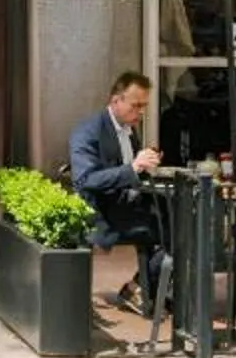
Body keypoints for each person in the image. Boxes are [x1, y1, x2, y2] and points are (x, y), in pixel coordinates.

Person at [69, 73, 166, 312]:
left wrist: (145, 167)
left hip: (127, 204)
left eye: (144, 106)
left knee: (179, 221)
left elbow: (127, 170)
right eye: (136, 105)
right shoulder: (88, 132)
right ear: (116, 101)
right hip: (102, 211)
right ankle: (142, 288)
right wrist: (133, 168)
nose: (141, 112)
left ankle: (146, 287)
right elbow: (85, 180)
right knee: (169, 231)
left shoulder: (128, 127)